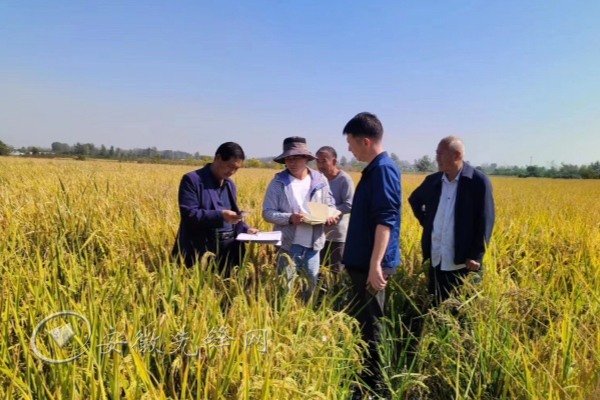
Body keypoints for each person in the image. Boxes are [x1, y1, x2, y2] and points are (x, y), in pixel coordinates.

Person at [341, 112, 401, 395]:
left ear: (365, 141)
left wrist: (376, 264)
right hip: (363, 263)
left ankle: (375, 388)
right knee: (363, 325)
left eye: (351, 142)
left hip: (371, 267)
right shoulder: (374, 169)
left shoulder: (383, 170)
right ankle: (362, 380)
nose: (349, 148)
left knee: (372, 327)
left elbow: (385, 220)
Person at [408, 136, 495, 306]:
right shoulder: (433, 181)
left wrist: (476, 255)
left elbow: (485, 220)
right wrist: (428, 222)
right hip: (437, 258)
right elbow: (414, 200)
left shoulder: (477, 182)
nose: (437, 158)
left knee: (462, 311)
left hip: (464, 263)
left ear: (457, 155)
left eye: (441, 153)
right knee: (436, 307)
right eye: (436, 153)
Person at [262, 136, 338, 301]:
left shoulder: (320, 180)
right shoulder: (278, 183)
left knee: (310, 291)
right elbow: (267, 212)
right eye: (288, 158)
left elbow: (330, 204)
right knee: (284, 291)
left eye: (296, 157)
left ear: (305, 158)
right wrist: (289, 218)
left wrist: (331, 216)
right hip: (288, 247)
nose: (291, 162)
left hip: (313, 247)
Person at [172, 142, 258, 274]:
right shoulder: (192, 180)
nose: (232, 172)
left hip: (229, 250)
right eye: (230, 166)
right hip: (202, 251)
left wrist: (246, 229)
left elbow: (233, 215)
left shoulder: (229, 184)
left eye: (236, 169)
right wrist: (221, 215)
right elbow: (189, 214)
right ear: (218, 158)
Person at [315, 146, 354, 273]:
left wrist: (329, 212)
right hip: (318, 234)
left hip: (337, 235)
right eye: (318, 161)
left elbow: (349, 205)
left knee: (335, 272)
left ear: (334, 161)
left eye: (324, 161)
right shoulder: (317, 179)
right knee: (319, 272)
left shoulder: (344, 179)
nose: (320, 165)